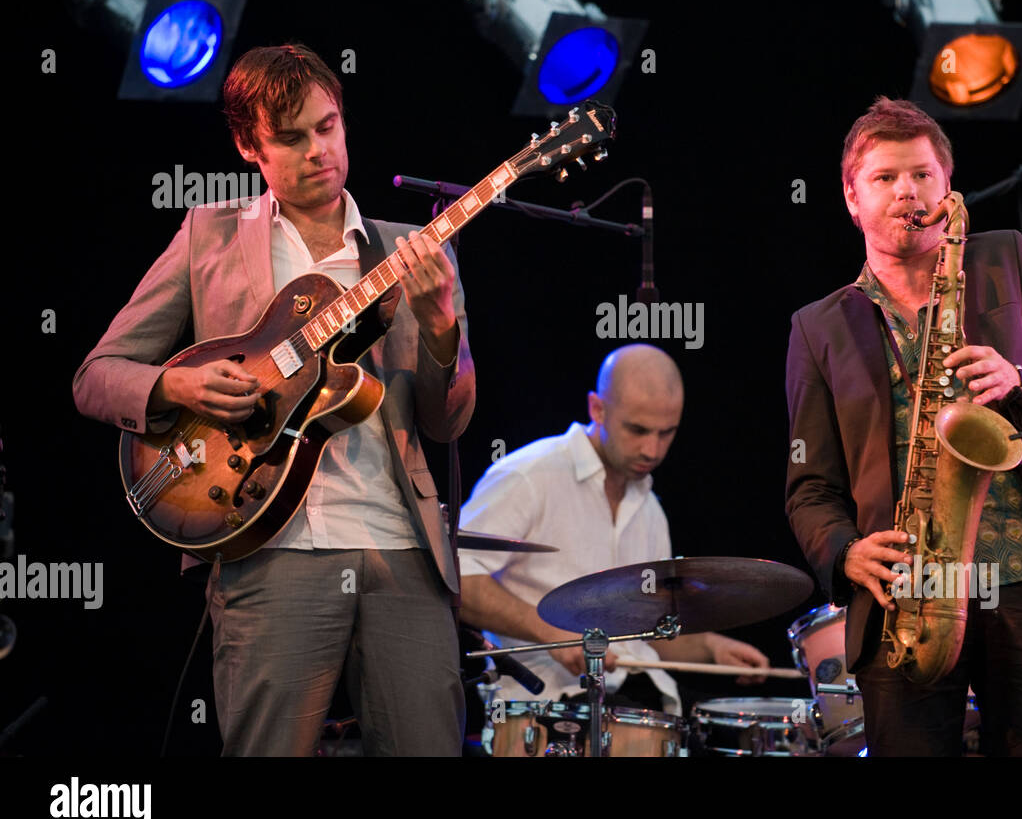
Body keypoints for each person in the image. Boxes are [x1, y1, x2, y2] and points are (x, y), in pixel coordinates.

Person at [72, 44, 474, 756]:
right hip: (268, 544)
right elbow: (96, 375)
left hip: (402, 550)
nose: (318, 150)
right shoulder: (209, 236)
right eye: (291, 138)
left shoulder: (410, 250)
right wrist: (175, 383)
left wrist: (443, 332)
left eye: (327, 127)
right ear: (247, 144)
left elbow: (450, 421)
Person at [784, 97, 1022, 756]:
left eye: (921, 175)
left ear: (947, 189)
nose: (906, 190)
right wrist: (845, 550)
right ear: (851, 197)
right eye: (884, 178)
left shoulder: (1005, 259)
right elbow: (809, 487)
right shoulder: (817, 326)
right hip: (906, 599)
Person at [460, 344, 767, 717]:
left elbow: (646, 632)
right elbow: (456, 576)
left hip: (641, 701)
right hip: (549, 705)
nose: (652, 450)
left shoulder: (650, 507)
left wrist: (712, 648)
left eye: (666, 433)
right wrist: (550, 633)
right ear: (598, 409)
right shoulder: (529, 476)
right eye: (637, 430)